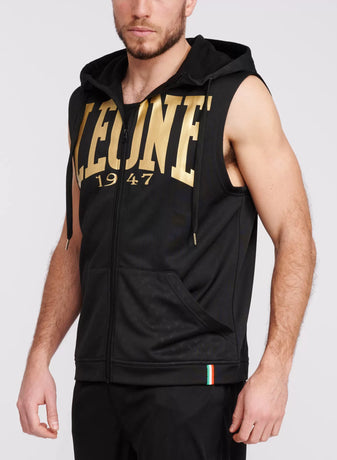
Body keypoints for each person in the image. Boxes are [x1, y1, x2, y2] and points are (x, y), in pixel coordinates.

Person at [16, 1, 317, 459]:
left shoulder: (236, 96)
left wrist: (275, 369)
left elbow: (294, 235)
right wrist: (40, 357)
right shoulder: (89, 103)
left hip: (194, 386)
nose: (141, 9)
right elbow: (74, 242)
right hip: (98, 384)